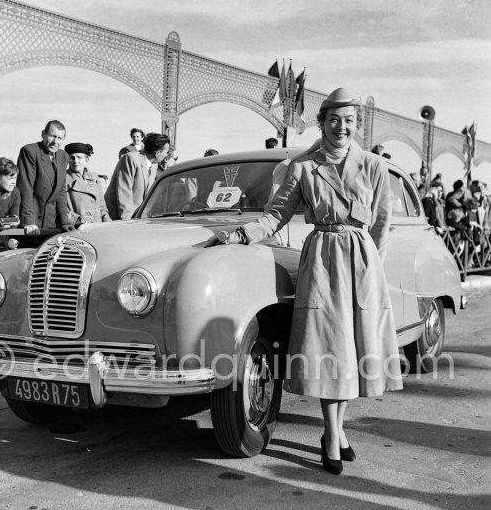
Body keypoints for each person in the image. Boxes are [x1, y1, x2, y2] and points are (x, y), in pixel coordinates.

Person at [205, 87, 402, 475]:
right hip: (323, 264)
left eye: (349, 121)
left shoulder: (375, 166)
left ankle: (338, 430)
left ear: (356, 125)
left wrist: (373, 270)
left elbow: (381, 223)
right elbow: (274, 216)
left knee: (352, 352)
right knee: (331, 350)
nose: (341, 127)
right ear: (322, 122)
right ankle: (331, 434)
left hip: (361, 265)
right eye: (334, 120)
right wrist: (239, 234)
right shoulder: (302, 166)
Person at [17, 120, 74, 238]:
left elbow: (61, 192)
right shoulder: (30, 151)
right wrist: (28, 222)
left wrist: (64, 221)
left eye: (59, 138)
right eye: (52, 136)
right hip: (32, 225)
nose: (55, 142)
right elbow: (26, 188)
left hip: (52, 225)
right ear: (43, 134)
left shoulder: (63, 157)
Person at [105, 132, 170, 220]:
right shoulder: (130, 159)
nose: (166, 155)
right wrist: (128, 221)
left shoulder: (154, 165)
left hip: (137, 218)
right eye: (166, 152)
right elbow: (124, 192)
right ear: (157, 153)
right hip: (118, 218)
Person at [65, 142, 111, 225]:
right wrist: (78, 221)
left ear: (87, 160)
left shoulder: (94, 178)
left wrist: (110, 225)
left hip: (98, 227)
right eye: (72, 158)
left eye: (79, 158)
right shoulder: (63, 179)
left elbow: (102, 208)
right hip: (78, 228)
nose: (76, 161)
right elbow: (61, 209)